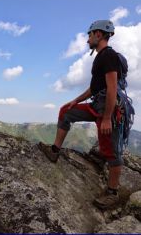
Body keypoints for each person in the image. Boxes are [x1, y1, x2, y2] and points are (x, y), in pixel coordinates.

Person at [39, 20, 126, 210]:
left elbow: (112, 89)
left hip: (107, 111)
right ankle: (54, 151)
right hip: (98, 106)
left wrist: (106, 118)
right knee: (66, 112)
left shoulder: (109, 55)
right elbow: (95, 88)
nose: (87, 39)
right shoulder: (101, 57)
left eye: (90, 35)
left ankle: (112, 193)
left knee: (110, 151)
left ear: (99, 35)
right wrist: (75, 101)